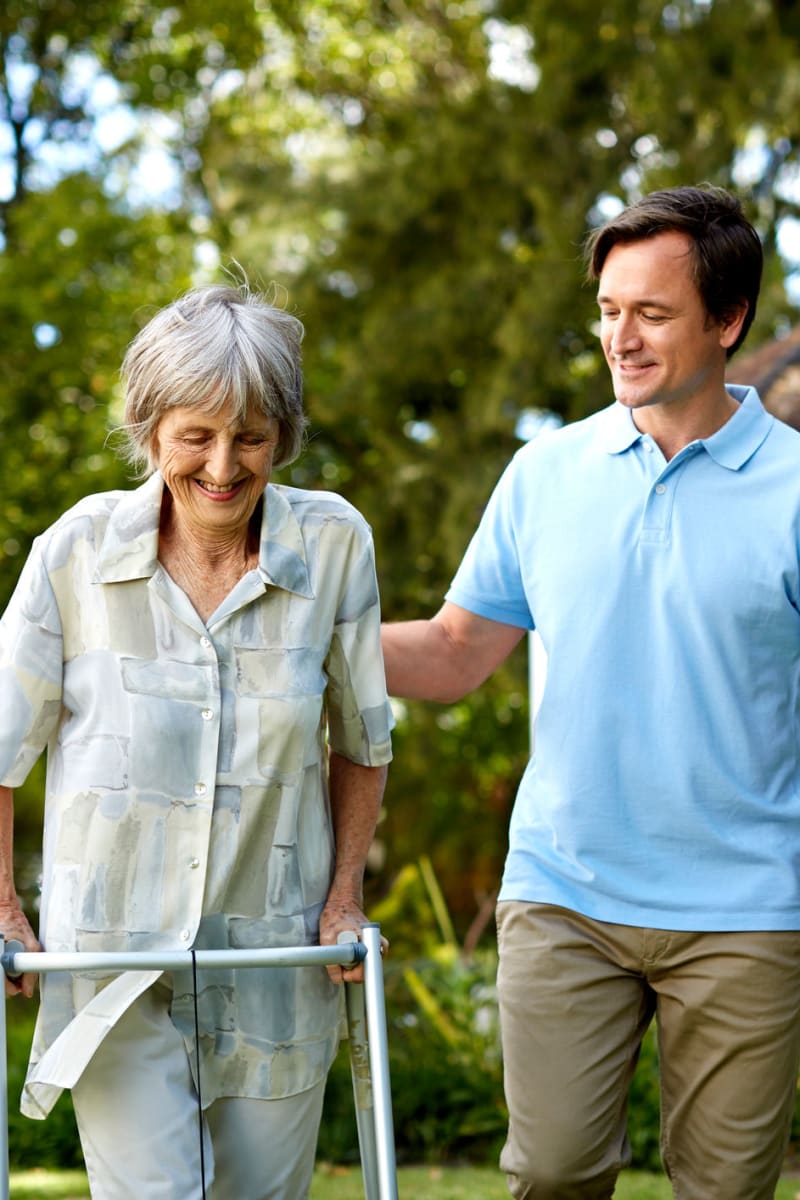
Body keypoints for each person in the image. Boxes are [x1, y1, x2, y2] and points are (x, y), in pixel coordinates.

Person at [381, 185, 800, 1199]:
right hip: (564, 892)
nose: (621, 337)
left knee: (723, 1189)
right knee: (554, 1174)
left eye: (651, 312)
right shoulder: (545, 473)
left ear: (726, 318)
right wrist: (306, 635)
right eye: (608, 310)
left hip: (746, 905)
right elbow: (452, 653)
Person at [0, 281, 393, 1199]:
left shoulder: (333, 545)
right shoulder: (76, 552)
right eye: (196, 434)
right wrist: (5, 909)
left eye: (252, 436)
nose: (224, 464)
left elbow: (362, 740)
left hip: (274, 960)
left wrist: (343, 898)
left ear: (282, 439)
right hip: (113, 968)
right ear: (149, 429)